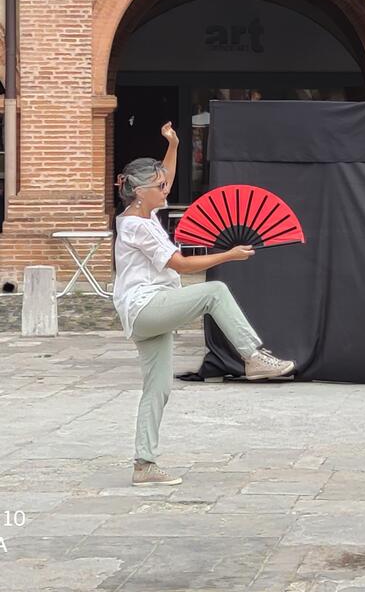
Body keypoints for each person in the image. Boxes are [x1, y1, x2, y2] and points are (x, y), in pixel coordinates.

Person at [113, 122, 296, 487]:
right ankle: (253, 356)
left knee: (158, 388)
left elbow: (166, 173)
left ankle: (143, 465)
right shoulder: (138, 226)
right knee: (214, 293)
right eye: (159, 186)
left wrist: (175, 145)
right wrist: (226, 255)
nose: (166, 188)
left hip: (146, 310)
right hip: (147, 306)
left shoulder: (141, 215)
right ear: (138, 192)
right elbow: (179, 264)